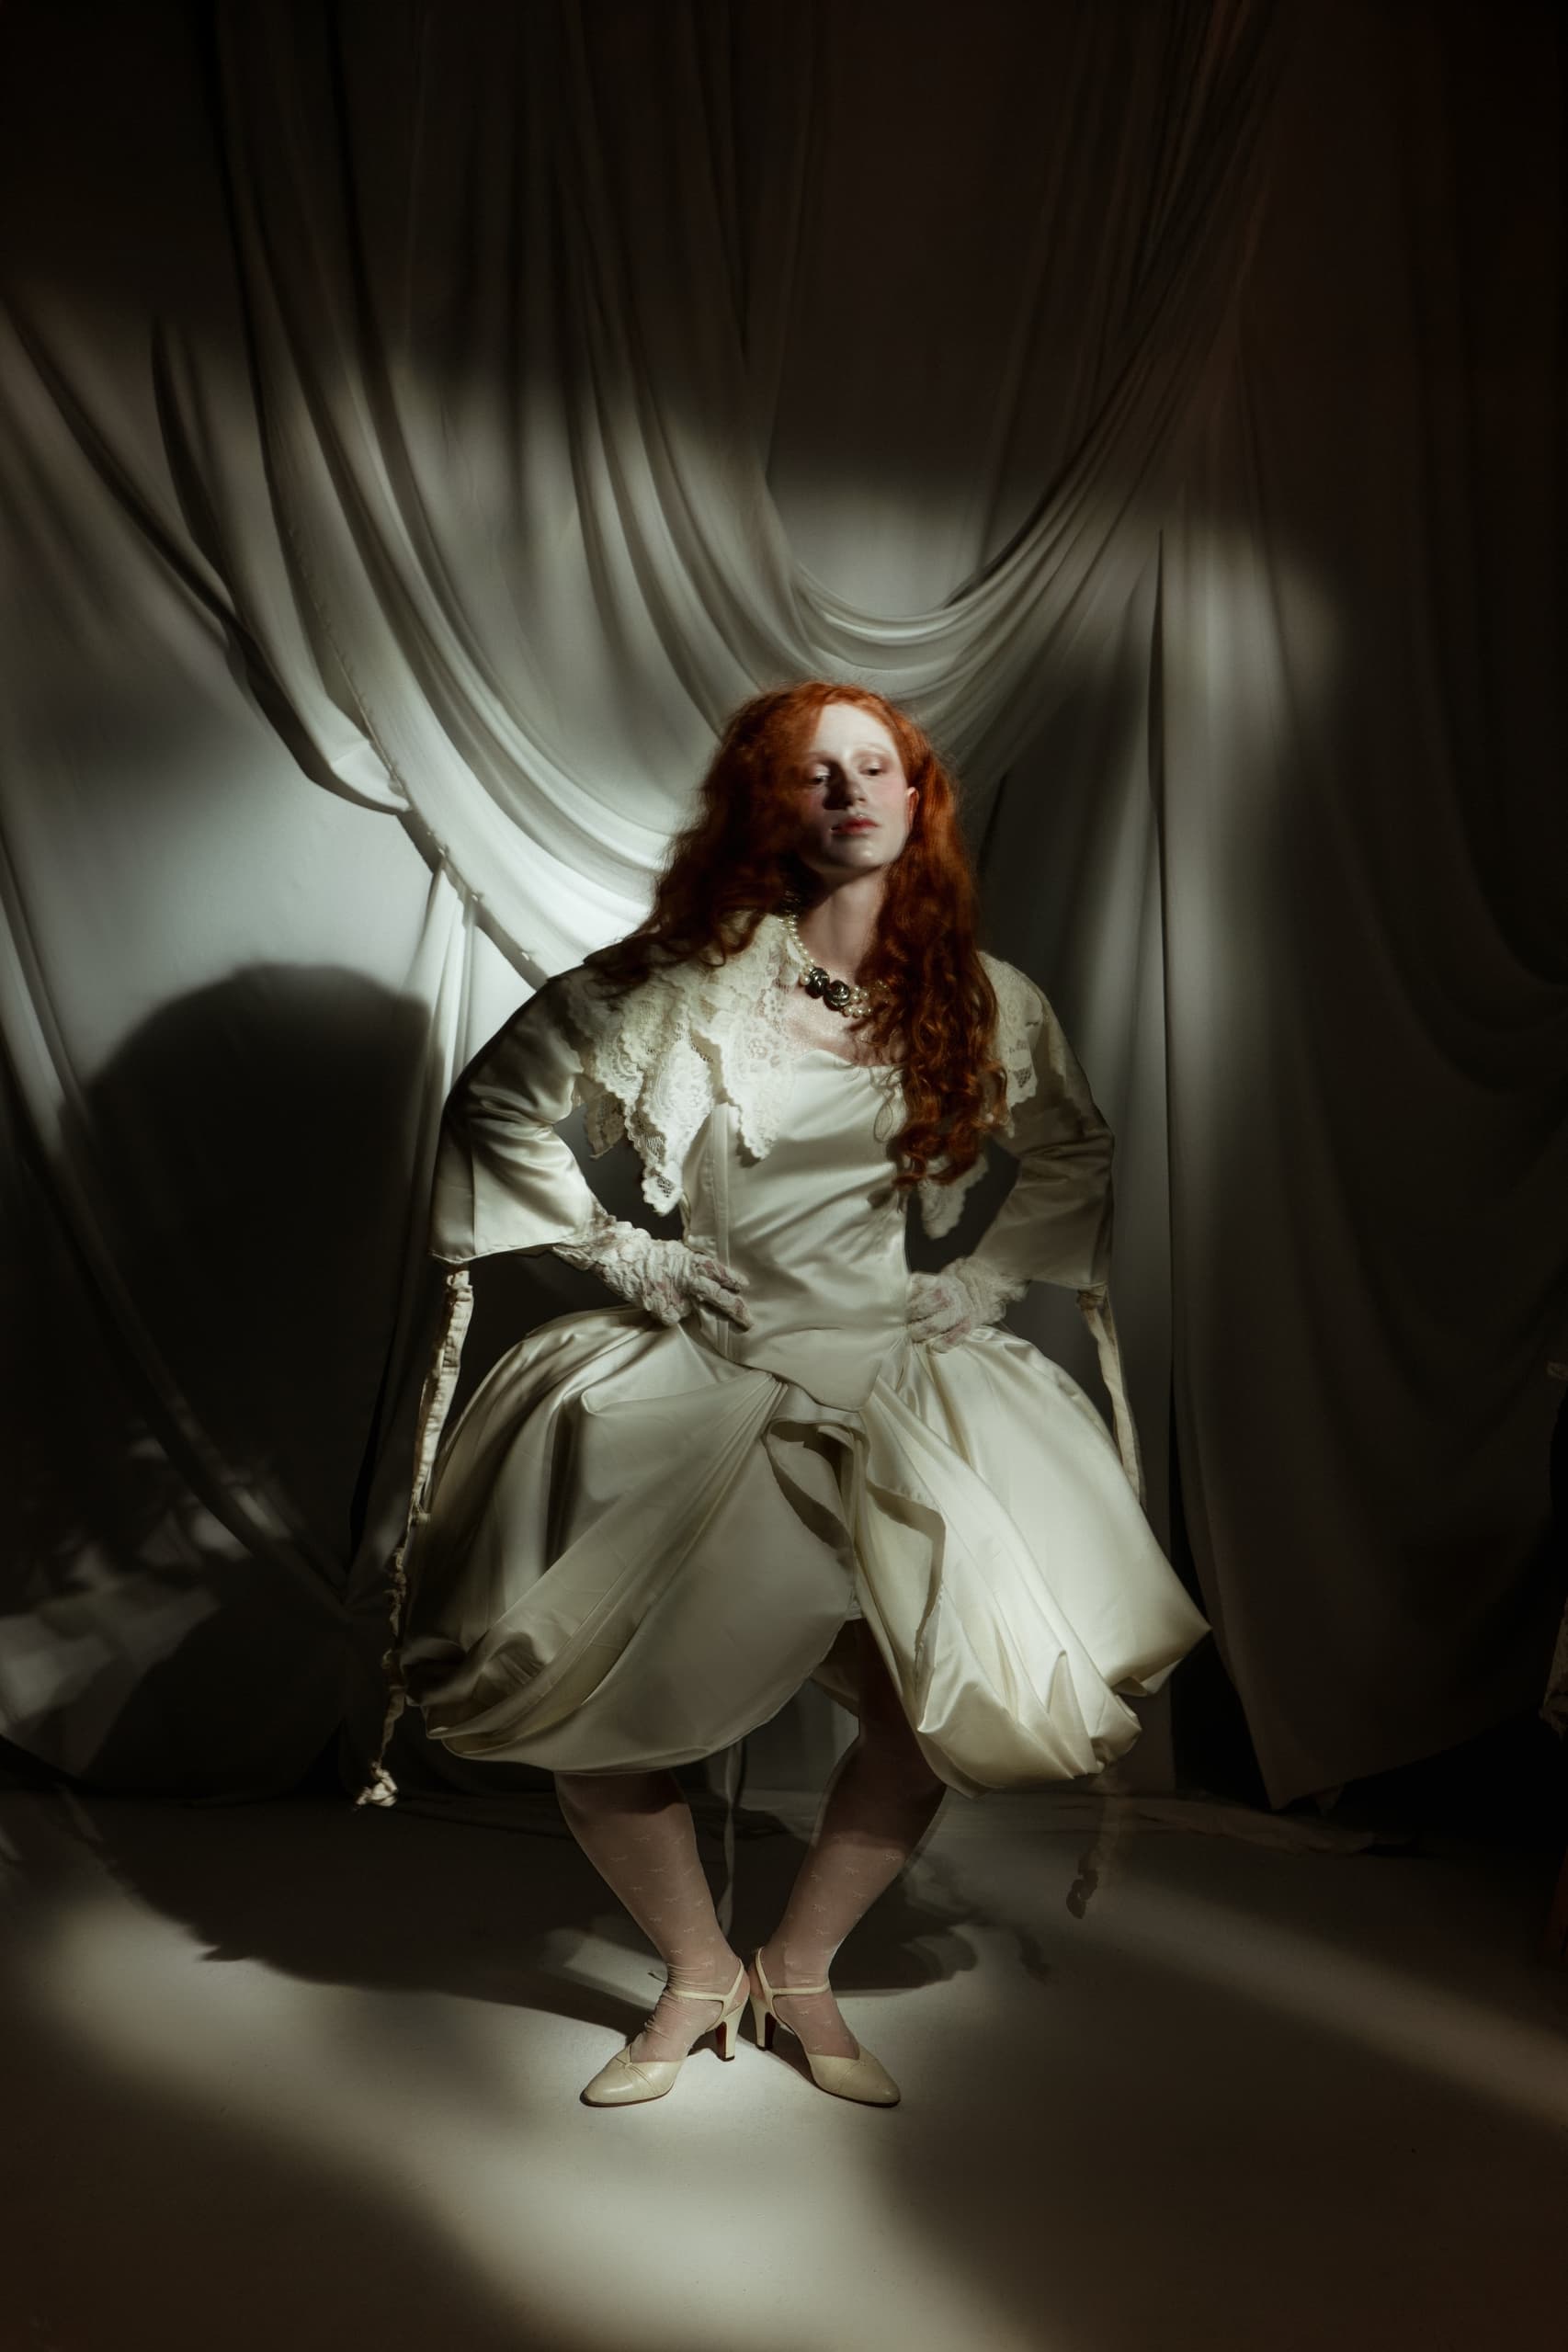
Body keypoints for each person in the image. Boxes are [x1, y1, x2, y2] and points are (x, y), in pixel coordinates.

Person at [359, 680, 1210, 2110]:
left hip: (895, 1380)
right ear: (768, 807)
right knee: (583, 1705)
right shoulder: (677, 979)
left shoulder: (986, 999)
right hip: (706, 1382)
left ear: (916, 795)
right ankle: (695, 1974)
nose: (849, 796)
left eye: (874, 770)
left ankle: (797, 1970)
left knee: (928, 1711)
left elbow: (1070, 1148)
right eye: (814, 777)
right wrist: (631, 1255)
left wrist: (984, 1280)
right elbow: (500, 1103)